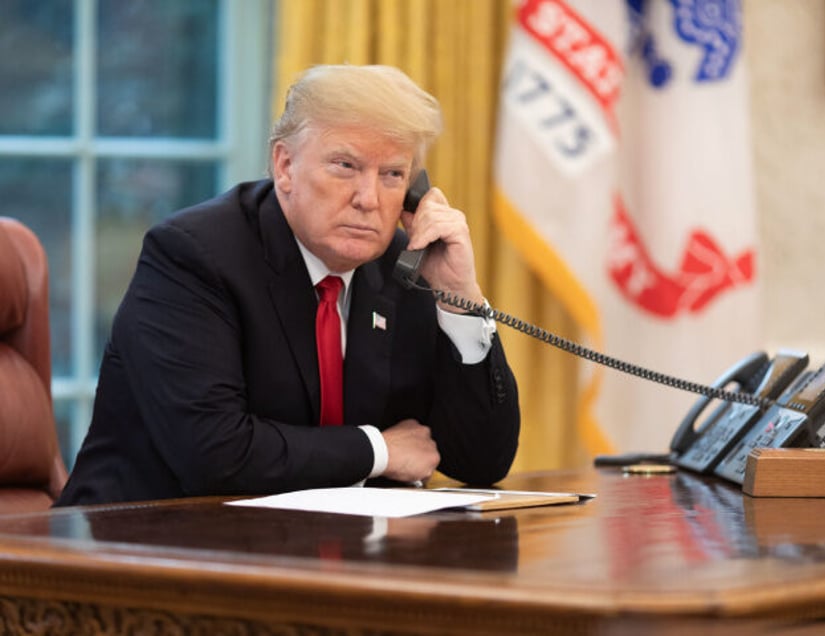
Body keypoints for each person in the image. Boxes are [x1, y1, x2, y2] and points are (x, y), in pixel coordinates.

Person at [55, 64, 520, 506]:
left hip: (316, 554)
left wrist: (461, 299)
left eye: (392, 175)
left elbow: (481, 462)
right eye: (345, 166)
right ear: (285, 166)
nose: (368, 199)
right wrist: (379, 449)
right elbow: (215, 455)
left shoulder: (406, 268)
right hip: (135, 550)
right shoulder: (193, 256)